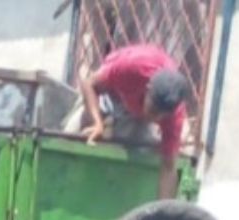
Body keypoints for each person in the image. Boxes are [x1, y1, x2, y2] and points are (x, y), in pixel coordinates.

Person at [76, 44, 190, 197]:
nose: (154, 118)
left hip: (132, 113)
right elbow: (89, 84)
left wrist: (164, 215)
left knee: (138, 155)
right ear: (147, 88)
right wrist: (97, 123)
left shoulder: (174, 117)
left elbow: (168, 168)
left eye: (159, 116)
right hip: (109, 92)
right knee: (75, 134)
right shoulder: (131, 67)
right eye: (153, 110)